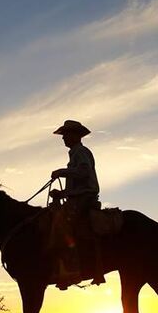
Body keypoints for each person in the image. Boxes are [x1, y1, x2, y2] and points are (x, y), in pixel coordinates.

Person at [48, 120, 104, 286]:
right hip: (79, 197)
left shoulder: (80, 152)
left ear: (75, 135)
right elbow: (77, 183)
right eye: (63, 134)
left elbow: (84, 173)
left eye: (66, 134)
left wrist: (62, 172)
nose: (63, 138)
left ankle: (71, 269)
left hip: (85, 198)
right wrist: (62, 193)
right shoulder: (75, 153)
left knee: (62, 225)